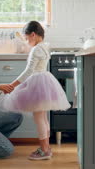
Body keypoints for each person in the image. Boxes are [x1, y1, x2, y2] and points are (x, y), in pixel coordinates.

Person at [6, 21, 70, 160]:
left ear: (33, 34)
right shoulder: (45, 46)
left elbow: (29, 71)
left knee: (39, 118)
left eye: (27, 38)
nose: (27, 41)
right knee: (43, 118)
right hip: (44, 82)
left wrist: (13, 85)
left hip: (37, 83)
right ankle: (46, 148)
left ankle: (44, 150)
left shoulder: (36, 49)